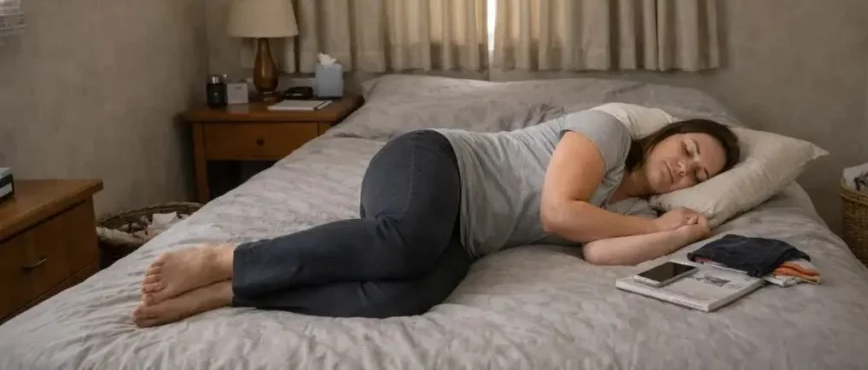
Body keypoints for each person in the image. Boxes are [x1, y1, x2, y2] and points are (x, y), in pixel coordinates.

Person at [133, 110, 740, 327]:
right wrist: (657, 228)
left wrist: (673, 237)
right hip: (434, 162)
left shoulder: (630, 212)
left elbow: (599, 251)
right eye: (688, 150)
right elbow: (559, 214)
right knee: (402, 245)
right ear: (669, 133)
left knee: (403, 297)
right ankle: (223, 256)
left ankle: (232, 291)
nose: (684, 169)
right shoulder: (607, 131)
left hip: (461, 234)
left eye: (699, 175)